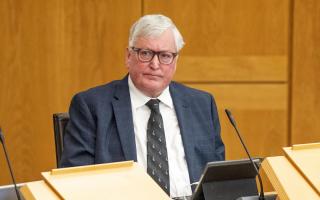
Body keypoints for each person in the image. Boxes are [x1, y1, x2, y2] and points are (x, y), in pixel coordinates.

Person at [60, 14, 225, 198]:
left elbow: (217, 181)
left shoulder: (202, 104)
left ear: (175, 61)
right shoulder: (92, 106)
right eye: (145, 53)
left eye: (165, 56)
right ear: (129, 56)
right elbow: (75, 183)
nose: (155, 64)